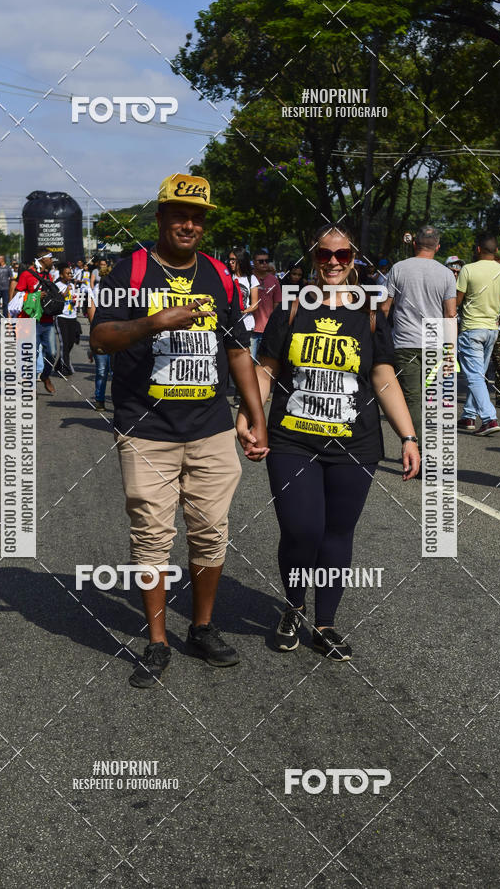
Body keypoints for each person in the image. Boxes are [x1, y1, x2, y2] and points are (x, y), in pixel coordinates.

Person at [90, 173, 267, 689]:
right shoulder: (132, 270)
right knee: (152, 538)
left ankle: (204, 628)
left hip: (211, 428)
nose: (189, 224)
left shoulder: (219, 275)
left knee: (211, 532)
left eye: (198, 217)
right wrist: (153, 323)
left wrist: (254, 416)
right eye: (179, 215)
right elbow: (100, 338)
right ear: (161, 217)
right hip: (147, 431)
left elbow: (237, 350)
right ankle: (157, 640)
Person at [236, 224, 420, 660]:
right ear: (313, 257)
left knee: (338, 533)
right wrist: (248, 415)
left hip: (355, 444)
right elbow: (266, 370)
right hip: (292, 439)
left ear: (354, 258)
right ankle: (295, 606)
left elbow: (383, 378)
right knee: (302, 529)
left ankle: (326, 623)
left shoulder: (371, 311)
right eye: (324, 255)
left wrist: (408, 436)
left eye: (342, 255)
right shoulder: (293, 305)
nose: (333, 262)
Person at [380, 225, 457, 456]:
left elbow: (385, 308)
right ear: (438, 246)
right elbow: (450, 314)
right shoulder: (446, 273)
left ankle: (420, 450)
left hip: (405, 343)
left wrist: (379, 339)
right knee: (431, 398)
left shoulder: (398, 269)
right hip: (435, 343)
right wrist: (450, 352)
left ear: (415, 243)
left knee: (413, 398)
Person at [456, 233, 500, 435]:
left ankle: (489, 419)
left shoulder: (468, 269)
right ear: (497, 251)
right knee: (479, 374)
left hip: (471, 329)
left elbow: (456, 302)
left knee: (474, 376)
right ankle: (468, 416)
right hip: (492, 330)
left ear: (477, 250)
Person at [12, 248, 57, 394]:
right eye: (50, 258)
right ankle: (31, 387)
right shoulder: (26, 275)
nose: (52, 261)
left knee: (52, 353)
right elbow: (17, 296)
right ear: (43, 259)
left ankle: (45, 376)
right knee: (32, 354)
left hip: (48, 320)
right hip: (32, 321)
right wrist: (36, 295)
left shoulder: (48, 275)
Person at [228, 246, 259, 404]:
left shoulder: (250, 279)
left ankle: (242, 395)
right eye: (230, 259)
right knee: (226, 359)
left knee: (245, 360)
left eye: (234, 260)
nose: (231, 262)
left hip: (245, 325)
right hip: (228, 325)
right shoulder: (227, 276)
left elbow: (255, 304)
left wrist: (242, 311)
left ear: (241, 261)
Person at [251, 248, 282, 363]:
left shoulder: (274, 280)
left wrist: (274, 325)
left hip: (268, 330)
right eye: (260, 261)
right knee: (249, 363)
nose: (264, 263)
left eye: (266, 261)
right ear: (254, 262)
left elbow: (277, 303)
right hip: (250, 330)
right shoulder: (248, 278)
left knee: (263, 364)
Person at [54, 263, 80, 376]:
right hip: (61, 317)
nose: (70, 275)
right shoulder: (57, 285)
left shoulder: (72, 285)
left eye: (71, 273)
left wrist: (75, 301)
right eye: (67, 273)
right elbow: (55, 301)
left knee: (70, 343)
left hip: (72, 316)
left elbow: (73, 298)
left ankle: (59, 365)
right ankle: (64, 368)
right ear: (61, 275)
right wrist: (65, 293)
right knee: (64, 343)